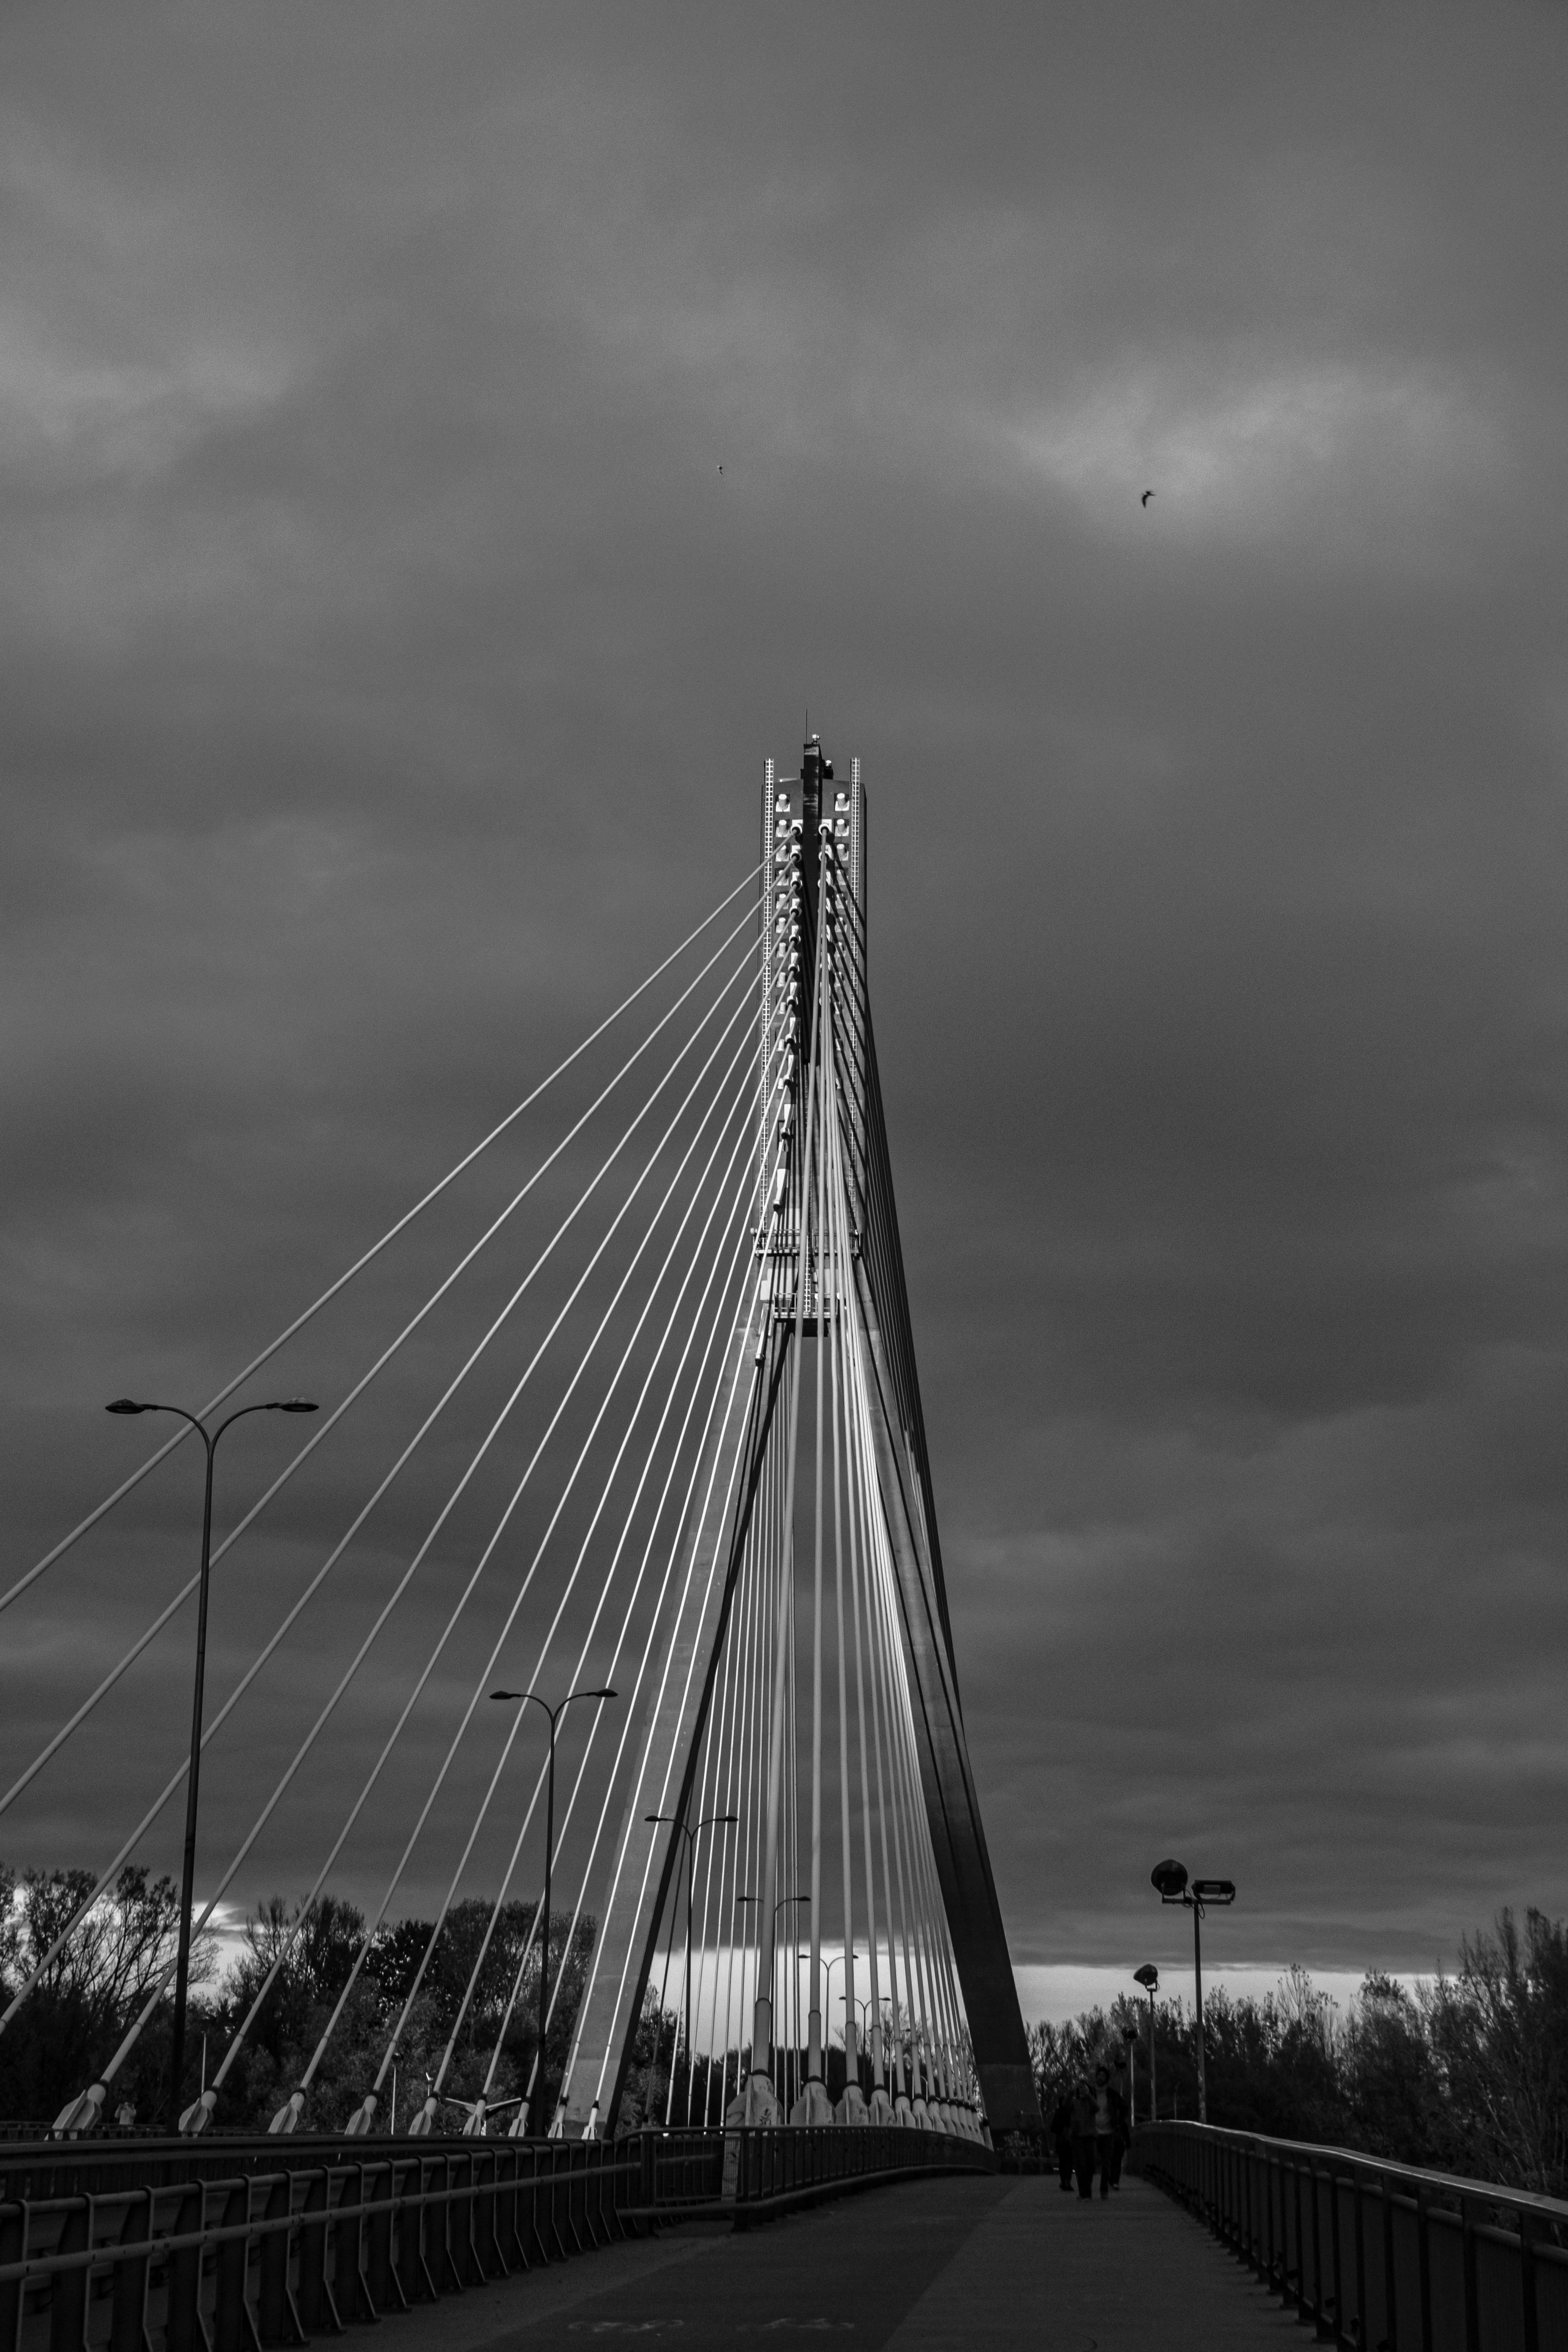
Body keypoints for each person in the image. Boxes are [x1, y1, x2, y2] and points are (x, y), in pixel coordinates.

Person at [1070, 2074, 1098, 2199]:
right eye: (1080, 2088)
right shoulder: (1074, 2101)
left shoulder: (1090, 2102)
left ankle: (1087, 2190)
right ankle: (1084, 2193)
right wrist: (1072, 2091)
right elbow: (1065, 2105)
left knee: (1091, 2165)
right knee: (1080, 2166)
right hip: (1077, 2137)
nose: (1082, 2090)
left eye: (1084, 2088)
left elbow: (1097, 2108)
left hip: (1090, 2136)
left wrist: (1088, 2095)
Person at [1092, 2063, 1116, 2198]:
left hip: (1108, 2132)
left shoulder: (1111, 2093)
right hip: (1094, 2132)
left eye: (1103, 2076)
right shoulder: (1091, 2092)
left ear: (1106, 2079)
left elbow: (1123, 2106)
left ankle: (1104, 2190)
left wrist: (1116, 2122)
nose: (1101, 2077)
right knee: (1091, 2161)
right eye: (1099, 2075)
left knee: (1107, 2162)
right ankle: (1086, 2191)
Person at [1050, 2082, 1074, 2191]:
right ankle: (1067, 2180)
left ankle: (1063, 2180)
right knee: (1069, 2161)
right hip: (1070, 2140)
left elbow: (1053, 2128)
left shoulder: (1058, 2113)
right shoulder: (1071, 2113)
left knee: (1062, 2161)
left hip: (1060, 2140)